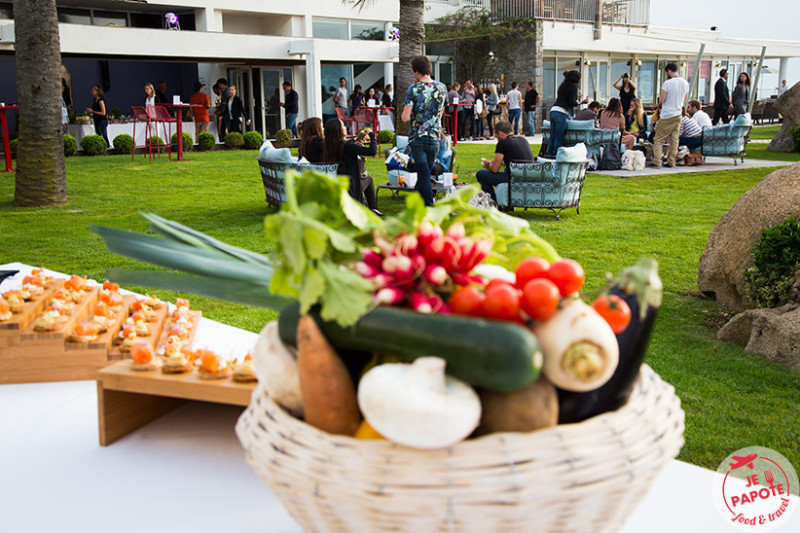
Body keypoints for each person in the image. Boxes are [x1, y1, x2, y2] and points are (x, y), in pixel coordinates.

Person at [401, 54, 447, 207]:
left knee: (424, 173)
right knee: (425, 173)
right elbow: (440, 112)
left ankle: (429, 206)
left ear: (416, 71)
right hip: (435, 137)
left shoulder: (413, 89)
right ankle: (414, 205)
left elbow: (405, 117)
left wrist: (415, 112)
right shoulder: (442, 88)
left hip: (418, 138)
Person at [323, 118, 381, 216]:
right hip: (351, 187)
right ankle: (373, 208)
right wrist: (372, 135)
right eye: (343, 126)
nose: (345, 127)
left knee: (368, 179)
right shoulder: (347, 147)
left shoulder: (328, 146)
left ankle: (372, 208)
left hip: (338, 184)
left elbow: (347, 144)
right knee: (369, 179)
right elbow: (372, 151)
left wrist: (355, 140)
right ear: (339, 130)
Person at [475, 121, 534, 205]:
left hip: (514, 179)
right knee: (506, 169)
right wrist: (496, 162)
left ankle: (493, 202)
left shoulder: (503, 143)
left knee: (481, 174)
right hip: (528, 176)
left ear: (500, 133)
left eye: (496, 135)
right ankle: (507, 205)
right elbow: (514, 159)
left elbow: (495, 169)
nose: (496, 138)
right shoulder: (522, 140)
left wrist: (488, 164)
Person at [652, 63, 689, 168]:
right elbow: (685, 100)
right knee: (674, 139)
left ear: (669, 71)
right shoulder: (685, 83)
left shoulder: (667, 83)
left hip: (667, 114)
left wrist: (660, 102)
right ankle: (671, 161)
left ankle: (657, 161)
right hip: (678, 114)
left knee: (658, 139)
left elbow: (662, 99)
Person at [547, 70, 586, 157]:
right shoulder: (574, 87)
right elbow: (571, 103)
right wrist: (581, 102)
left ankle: (549, 155)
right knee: (558, 138)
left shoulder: (562, 85)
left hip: (553, 110)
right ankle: (557, 157)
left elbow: (564, 98)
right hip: (561, 112)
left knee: (552, 137)